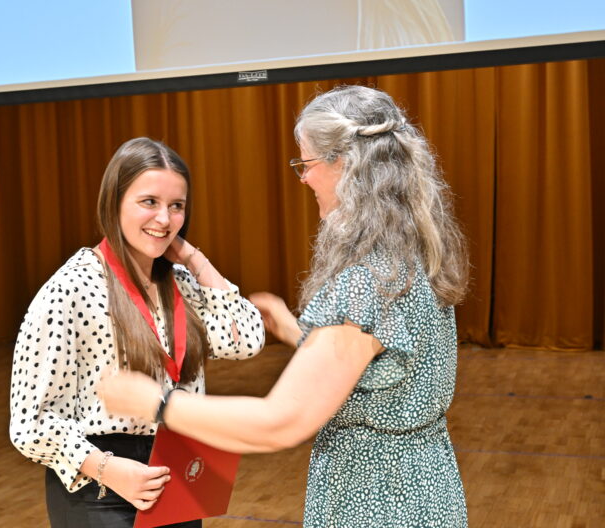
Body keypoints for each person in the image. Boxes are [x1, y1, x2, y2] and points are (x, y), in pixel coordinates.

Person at [99, 86, 470, 527]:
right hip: (426, 484)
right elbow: (374, 363)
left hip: (378, 499)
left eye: (307, 163)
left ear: (345, 164)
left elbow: (281, 421)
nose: (303, 178)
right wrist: (298, 332)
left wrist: (158, 403)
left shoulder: (368, 281)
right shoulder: (411, 255)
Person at [9, 137, 265, 528]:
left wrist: (195, 259)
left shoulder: (180, 281)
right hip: (99, 486)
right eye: (149, 202)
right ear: (114, 202)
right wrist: (111, 471)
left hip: (175, 470)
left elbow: (246, 340)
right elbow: (30, 423)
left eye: (176, 206)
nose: (164, 219)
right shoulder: (70, 288)